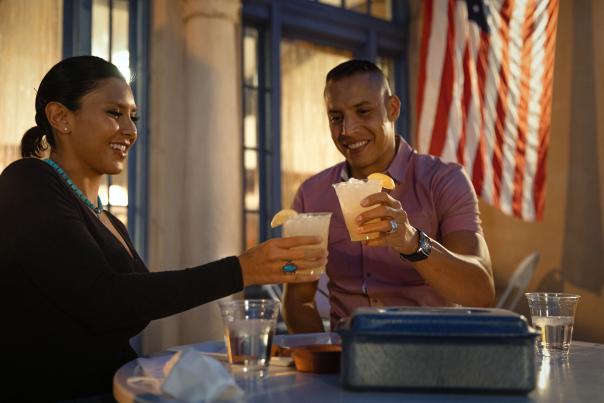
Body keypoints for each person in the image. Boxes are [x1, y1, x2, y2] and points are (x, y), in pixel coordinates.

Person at [0, 56, 326, 401]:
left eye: (133, 116)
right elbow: (102, 300)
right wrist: (241, 270)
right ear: (61, 117)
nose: (130, 130)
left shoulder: (109, 221)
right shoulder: (27, 181)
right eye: (114, 113)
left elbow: (134, 304)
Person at [282, 60, 495, 333]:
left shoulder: (444, 180)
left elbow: (481, 290)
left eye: (363, 111)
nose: (347, 130)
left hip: (430, 358)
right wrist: (324, 362)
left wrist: (411, 242)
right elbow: (299, 301)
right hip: (346, 361)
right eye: (336, 118)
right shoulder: (312, 194)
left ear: (392, 109)